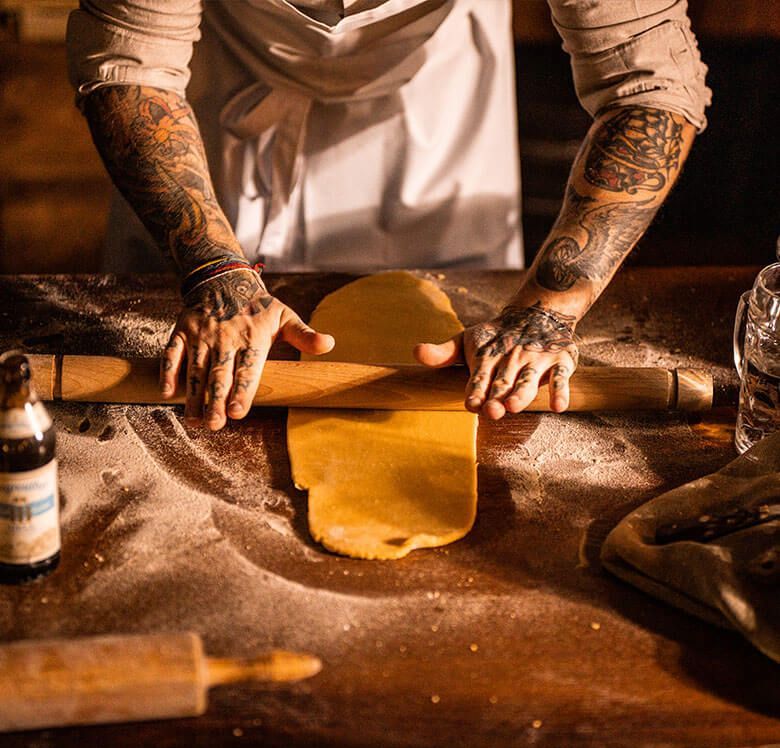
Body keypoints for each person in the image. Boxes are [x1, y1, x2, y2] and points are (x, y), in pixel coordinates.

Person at [67, 0, 710, 431]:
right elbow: (135, 57)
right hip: (212, 102)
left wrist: (548, 310)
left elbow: (647, 79)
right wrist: (212, 270)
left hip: (430, 104)